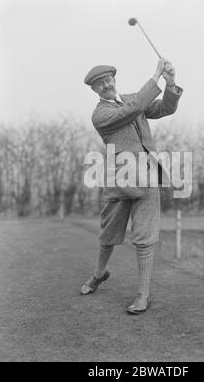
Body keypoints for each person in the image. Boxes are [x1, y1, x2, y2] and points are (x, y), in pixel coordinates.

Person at [81, 59, 183, 314]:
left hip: (147, 176)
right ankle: (99, 272)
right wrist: (156, 74)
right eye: (99, 83)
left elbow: (163, 109)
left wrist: (170, 84)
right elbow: (134, 107)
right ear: (94, 90)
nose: (106, 85)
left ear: (114, 79)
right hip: (120, 180)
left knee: (145, 237)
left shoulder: (131, 100)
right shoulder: (101, 115)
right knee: (109, 234)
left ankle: (143, 294)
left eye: (108, 80)